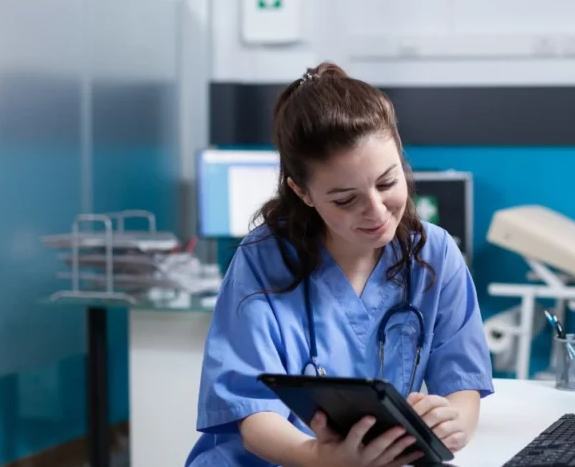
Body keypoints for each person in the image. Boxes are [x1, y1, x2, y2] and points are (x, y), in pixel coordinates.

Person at [185, 62, 495, 467]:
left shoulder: (433, 255)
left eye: (387, 182)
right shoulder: (262, 260)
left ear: (400, 151)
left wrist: (453, 423)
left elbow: (462, 385)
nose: (377, 211)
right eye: (346, 199)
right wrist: (319, 457)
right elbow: (250, 410)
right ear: (303, 192)